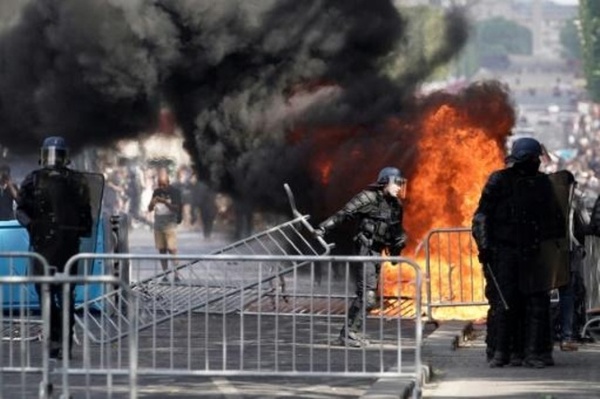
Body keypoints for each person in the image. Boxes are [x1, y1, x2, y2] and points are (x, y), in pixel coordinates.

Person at [472, 137, 570, 369]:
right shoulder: (500, 180)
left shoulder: (544, 184)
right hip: (504, 253)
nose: (537, 162)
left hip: (534, 254)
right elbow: (481, 216)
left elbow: (555, 220)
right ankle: (501, 352)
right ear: (527, 158)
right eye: (535, 158)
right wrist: (485, 247)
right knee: (505, 303)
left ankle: (535, 353)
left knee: (537, 304)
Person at [16, 136, 93, 360]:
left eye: (57, 156)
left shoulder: (73, 181)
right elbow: (21, 210)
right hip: (49, 246)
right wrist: (32, 224)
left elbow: (85, 214)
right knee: (51, 295)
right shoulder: (35, 180)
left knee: (60, 295)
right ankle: (57, 340)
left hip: (61, 246)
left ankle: (61, 341)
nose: (55, 161)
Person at [315, 167, 408, 347]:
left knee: (367, 295)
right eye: (395, 183)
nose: (399, 187)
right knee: (367, 295)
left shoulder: (396, 205)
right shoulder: (367, 197)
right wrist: (323, 228)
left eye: (400, 183)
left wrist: (398, 246)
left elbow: (396, 231)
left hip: (377, 252)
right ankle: (349, 334)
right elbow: (344, 214)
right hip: (364, 249)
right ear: (384, 181)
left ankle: (350, 333)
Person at [147, 167, 182, 282]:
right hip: (158, 224)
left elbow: (176, 208)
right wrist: (152, 203)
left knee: (172, 249)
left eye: (163, 185)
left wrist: (165, 202)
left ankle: (177, 273)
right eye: (159, 185)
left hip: (170, 223)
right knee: (162, 249)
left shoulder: (174, 192)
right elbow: (149, 208)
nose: (161, 187)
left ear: (168, 182)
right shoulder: (156, 192)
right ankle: (165, 274)